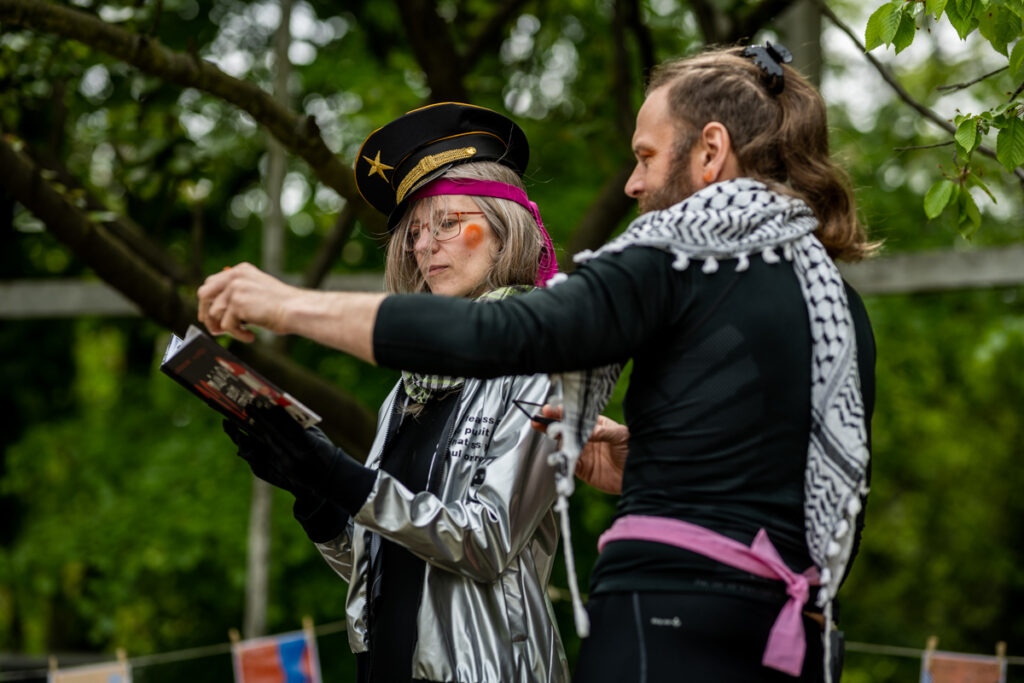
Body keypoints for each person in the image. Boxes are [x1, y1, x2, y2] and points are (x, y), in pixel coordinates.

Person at [199, 43, 877, 683]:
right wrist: (317, 493)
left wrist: (286, 305)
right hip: (787, 629)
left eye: (644, 154)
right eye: (414, 233)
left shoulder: (669, 264)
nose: (634, 184)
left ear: (711, 150)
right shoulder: (832, 301)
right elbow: (787, 463)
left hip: (662, 622)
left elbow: (506, 338)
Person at [217, 102, 570, 683]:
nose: (425, 246)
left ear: (504, 225)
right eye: (415, 232)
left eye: (448, 224)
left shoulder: (540, 359)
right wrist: (315, 495)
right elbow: (380, 562)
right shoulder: (409, 385)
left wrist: (339, 475)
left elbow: (483, 541)